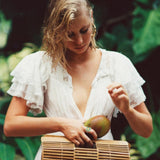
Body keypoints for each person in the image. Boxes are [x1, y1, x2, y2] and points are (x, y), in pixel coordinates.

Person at [4, 0, 153, 159]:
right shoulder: (39, 65)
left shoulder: (116, 64)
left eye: (84, 30)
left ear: (92, 18)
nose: (80, 41)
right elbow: (11, 125)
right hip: (55, 155)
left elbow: (146, 130)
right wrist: (62, 124)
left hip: (102, 155)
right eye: (70, 34)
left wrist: (127, 110)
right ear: (57, 30)